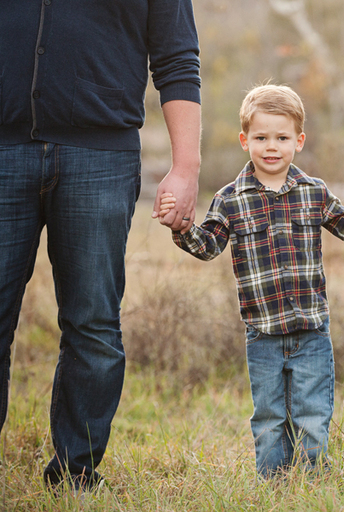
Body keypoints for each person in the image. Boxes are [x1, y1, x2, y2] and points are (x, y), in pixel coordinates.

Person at [0, 1, 201, 489]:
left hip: (101, 157)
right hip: (3, 152)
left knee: (93, 323)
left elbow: (177, 59)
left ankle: (75, 474)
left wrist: (186, 167)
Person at [158, 85, 344, 477]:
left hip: (312, 332)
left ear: (299, 141)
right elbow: (208, 246)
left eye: (282, 138)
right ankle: (274, 488)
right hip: (262, 334)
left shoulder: (313, 192)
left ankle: (312, 484)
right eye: (261, 137)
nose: (272, 147)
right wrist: (180, 226)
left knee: (312, 416)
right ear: (244, 140)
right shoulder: (230, 199)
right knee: (268, 419)